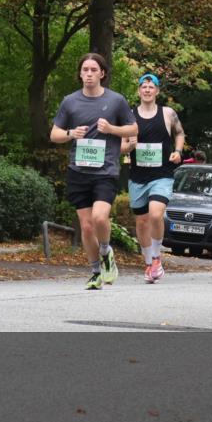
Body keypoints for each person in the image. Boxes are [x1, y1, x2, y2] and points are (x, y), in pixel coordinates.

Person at [50, 53, 137, 290]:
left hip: (105, 170)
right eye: (85, 70)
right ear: (80, 74)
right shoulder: (70, 101)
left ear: (102, 73)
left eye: (93, 70)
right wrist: (71, 133)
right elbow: (54, 134)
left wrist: (111, 129)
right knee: (87, 226)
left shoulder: (116, 100)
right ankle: (96, 272)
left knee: (99, 217)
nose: (89, 74)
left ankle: (106, 251)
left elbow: (133, 129)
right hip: (78, 171)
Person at [121, 74, 185, 283]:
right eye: (144, 87)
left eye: (151, 87)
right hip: (138, 177)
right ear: (139, 91)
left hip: (162, 175)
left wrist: (177, 151)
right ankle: (148, 263)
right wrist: (129, 147)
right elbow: (121, 145)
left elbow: (179, 133)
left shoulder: (168, 113)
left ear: (157, 91)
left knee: (156, 215)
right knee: (141, 221)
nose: (147, 90)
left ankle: (157, 258)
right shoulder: (129, 116)